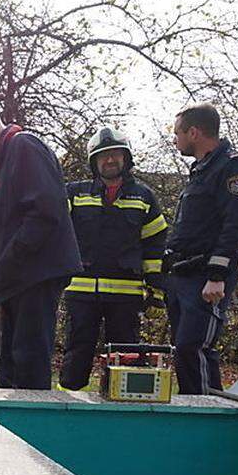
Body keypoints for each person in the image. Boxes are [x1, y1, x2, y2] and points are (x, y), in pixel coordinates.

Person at [0, 105, 82, 390]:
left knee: (28, 358)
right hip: (18, 277)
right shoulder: (3, 162)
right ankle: (11, 427)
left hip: (34, 273)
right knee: (11, 358)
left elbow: (45, 212)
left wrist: (8, 261)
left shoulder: (24, 147)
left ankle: (31, 427)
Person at [59, 127, 168, 390]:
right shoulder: (74, 194)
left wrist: (156, 290)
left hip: (125, 294)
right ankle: (66, 407)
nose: (109, 160)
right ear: (94, 162)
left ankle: (122, 408)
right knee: (76, 352)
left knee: (125, 356)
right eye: (103, 156)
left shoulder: (144, 197)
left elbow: (155, 244)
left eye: (115, 154)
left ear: (125, 158)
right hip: (81, 291)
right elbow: (55, 232)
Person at [165, 103, 238, 394]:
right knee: (183, 349)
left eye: (177, 133)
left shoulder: (233, 166)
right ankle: (192, 412)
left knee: (195, 348)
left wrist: (217, 273)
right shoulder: (201, 170)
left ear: (194, 132)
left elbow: (237, 223)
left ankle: (207, 413)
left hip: (206, 277)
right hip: (183, 275)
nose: (175, 139)